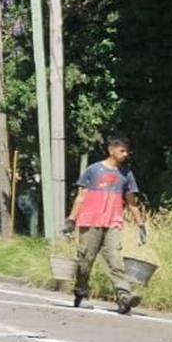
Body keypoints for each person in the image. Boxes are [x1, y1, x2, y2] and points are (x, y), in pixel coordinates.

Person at [62, 134, 147, 314]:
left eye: (127, 151)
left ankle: (124, 298)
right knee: (86, 260)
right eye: (122, 151)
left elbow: (131, 202)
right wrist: (71, 220)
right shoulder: (94, 170)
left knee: (116, 261)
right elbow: (81, 196)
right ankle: (81, 293)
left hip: (113, 223)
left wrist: (141, 225)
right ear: (111, 150)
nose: (125, 154)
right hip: (90, 220)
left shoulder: (126, 174)